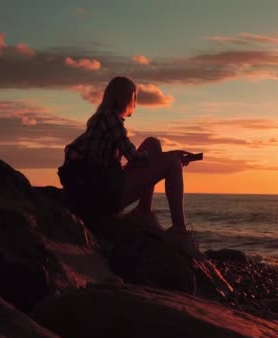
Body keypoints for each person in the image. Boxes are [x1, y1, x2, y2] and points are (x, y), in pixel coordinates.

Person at [58, 76, 197, 250]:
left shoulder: (99, 118)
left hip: (100, 188)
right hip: (105, 194)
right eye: (134, 97)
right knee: (173, 163)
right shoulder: (111, 118)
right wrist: (172, 156)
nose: (135, 103)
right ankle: (179, 232)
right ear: (125, 98)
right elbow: (134, 157)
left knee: (152, 143)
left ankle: (143, 213)